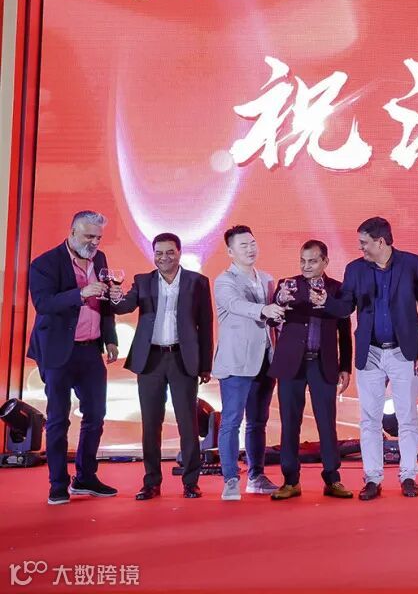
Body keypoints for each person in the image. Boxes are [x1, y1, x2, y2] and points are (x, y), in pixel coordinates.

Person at [323, 217, 418, 499]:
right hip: (370, 352)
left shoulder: (412, 264)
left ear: (381, 242)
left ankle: (408, 475)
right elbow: (345, 307)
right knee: (369, 419)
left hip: (404, 351)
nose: (360, 247)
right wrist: (325, 301)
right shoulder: (355, 269)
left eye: (364, 242)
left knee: (407, 417)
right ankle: (372, 478)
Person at [110, 232, 213, 500]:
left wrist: (205, 365)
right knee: (150, 423)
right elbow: (123, 308)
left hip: (182, 358)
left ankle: (191, 481)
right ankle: (151, 482)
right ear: (153, 254)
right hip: (150, 360)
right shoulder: (143, 281)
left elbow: (206, 325)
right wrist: (114, 296)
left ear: (179, 253)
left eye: (169, 252)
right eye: (159, 253)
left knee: (188, 423)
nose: (164, 257)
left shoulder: (197, 282)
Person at [28, 211, 120, 505]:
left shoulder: (100, 259)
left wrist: (110, 338)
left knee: (95, 415)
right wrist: (80, 293)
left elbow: (104, 302)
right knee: (58, 419)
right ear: (72, 232)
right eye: (89, 236)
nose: (94, 243)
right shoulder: (44, 263)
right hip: (57, 351)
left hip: (91, 350)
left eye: (98, 237)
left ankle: (85, 477)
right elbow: (43, 304)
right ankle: (58, 483)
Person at [267, 240, 354, 500]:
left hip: (322, 363)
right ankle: (290, 480)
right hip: (290, 363)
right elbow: (271, 319)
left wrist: (345, 366)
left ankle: (332, 479)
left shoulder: (337, 289)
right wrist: (280, 303)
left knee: (327, 423)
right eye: (303, 261)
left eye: (312, 261)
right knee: (289, 422)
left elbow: (344, 330)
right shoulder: (288, 286)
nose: (306, 266)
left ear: (325, 261)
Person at [211, 225, 282, 501]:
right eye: (243, 245)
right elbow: (236, 305)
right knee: (231, 421)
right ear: (230, 252)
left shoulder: (266, 279)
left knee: (258, 422)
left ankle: (256, 476)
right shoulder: (224, 281)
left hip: (265, 359)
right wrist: (264, 309)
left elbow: (274, 318)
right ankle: (230, 479)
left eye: (252, 243)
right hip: (236, 362)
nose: (250, 249)